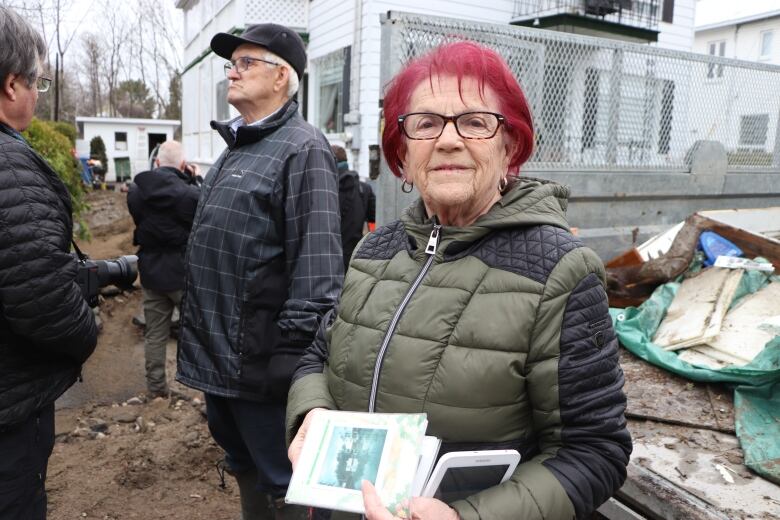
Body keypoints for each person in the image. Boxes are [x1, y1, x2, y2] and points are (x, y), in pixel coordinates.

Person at [286, 41, 632, 520]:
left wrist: (463, 517)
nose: (448, 140)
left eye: (474, 121)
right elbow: (321, 353)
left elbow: (594, 453)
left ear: (509, 145)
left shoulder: (559, 270)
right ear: (402, 153)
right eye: (425, 123)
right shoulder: (374, 251)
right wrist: (312, 413)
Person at [176, 23, 343, 520]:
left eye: (247, 62)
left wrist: (291, 364)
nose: (233, 71)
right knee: (243, 464)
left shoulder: (302, 148)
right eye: (232, 63)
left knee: (286, 482)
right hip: (220, 362)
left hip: (262, 366)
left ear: (281, 77)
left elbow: (317, 270)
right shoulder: (237, 149)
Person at [0, 6, 98, 519]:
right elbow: (41, 296)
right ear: (12, 84)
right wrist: (89, 329)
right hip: (10, 409)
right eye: (38, 81)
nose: (39, 93)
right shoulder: (12, 165)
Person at [127, 140, 200, 398]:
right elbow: (198, 222)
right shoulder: (190, 195)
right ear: (183, 165)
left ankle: (156, 389)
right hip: (183, 273)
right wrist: (194, 181)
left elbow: (139, 219)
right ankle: (204, 390)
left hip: (151, 272)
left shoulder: (135, 192)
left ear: (157, 163)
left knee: (155, 334)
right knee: (199, 332)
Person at [331, 145, 366, 269]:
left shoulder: (327, 190)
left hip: (332, 259)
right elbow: (373, 220)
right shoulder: (364, 188)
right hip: (359, 258)